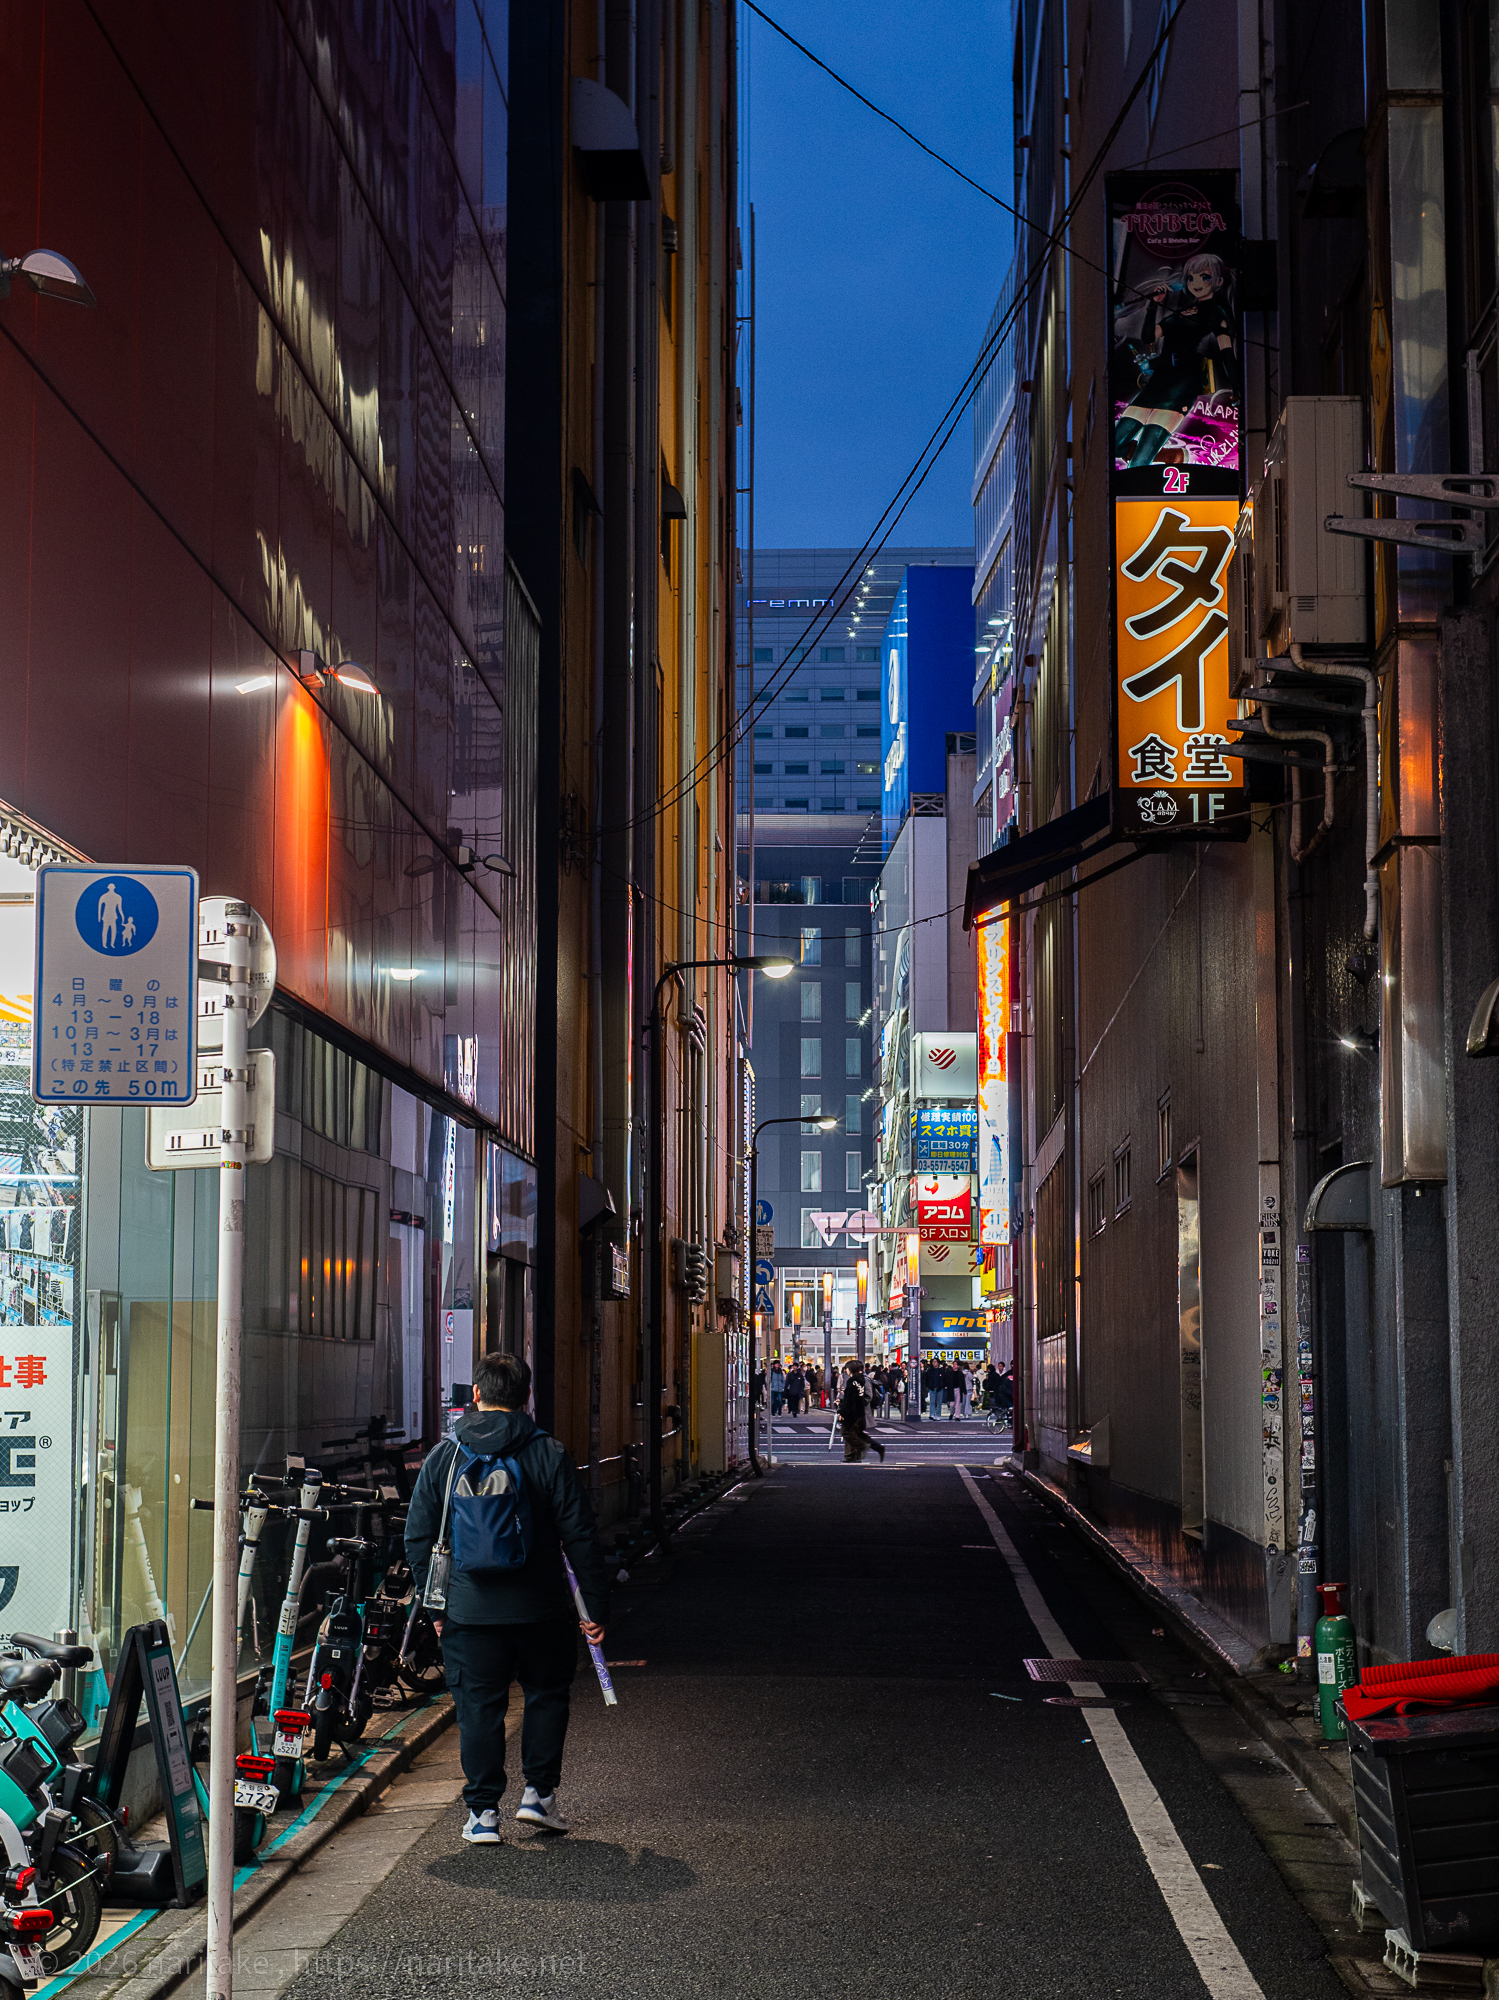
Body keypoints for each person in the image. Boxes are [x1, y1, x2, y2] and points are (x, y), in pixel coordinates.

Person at [405, 1349, 608, 1845]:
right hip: (541, 1608)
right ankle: (538, 1796)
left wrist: (436, 1606)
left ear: (476, 1394)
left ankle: (482, 1814)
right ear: (527, 1396)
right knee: (546, 1695)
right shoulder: (549, 1452)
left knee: (479, 1707)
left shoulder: (445, 1456)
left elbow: (418, 1536)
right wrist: (594, 1607)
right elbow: (580, 1534)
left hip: (468, 1610)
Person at [838, 1363, 886, 1463]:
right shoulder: (858, 1380)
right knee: (858, 1434)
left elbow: (853, 1399)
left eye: (847, 1368)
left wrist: (842, 1411)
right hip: (858, 1411)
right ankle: (873, 1449)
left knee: (848, 1432)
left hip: (856, 1411)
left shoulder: (857, 1380)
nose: (846, 1370)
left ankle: (860, 1449)